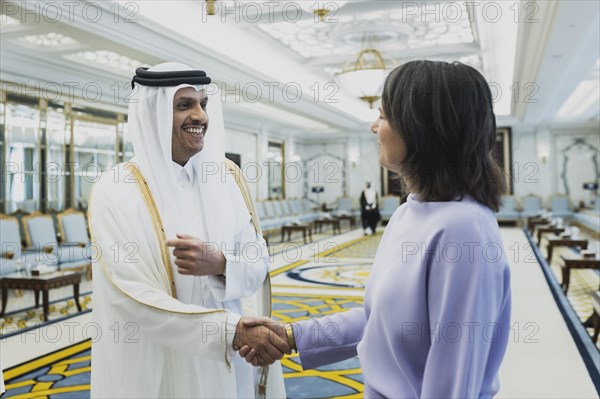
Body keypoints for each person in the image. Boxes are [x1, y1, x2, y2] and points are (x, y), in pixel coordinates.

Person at [239, 60, 512, 398]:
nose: (374, 127)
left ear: (420, 127)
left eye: (383, 116)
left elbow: (452, 382)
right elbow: (380, 321)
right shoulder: (408, 213)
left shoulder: (463, 229)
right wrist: (292, 336)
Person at [88, 62, 288, 398]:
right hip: (162, 362)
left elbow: (259, 264)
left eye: (203, 104)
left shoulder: (225, 178)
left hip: (234, 356)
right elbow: (132, 298)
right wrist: (230, 331)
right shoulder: (117, 188)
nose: (200, 116)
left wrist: (222, 263)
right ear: (153, 114)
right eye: (184, 105)